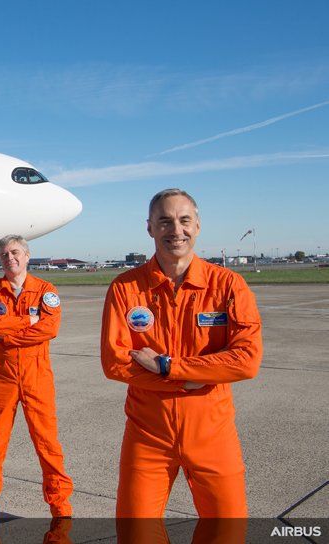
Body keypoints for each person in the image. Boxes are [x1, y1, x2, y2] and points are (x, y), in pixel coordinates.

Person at [101, 188, 262, 518]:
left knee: (225, 529)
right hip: (148, 432)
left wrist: (168, 367)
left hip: (212, 431)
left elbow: (246, 361)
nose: (176, 230)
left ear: (197, 225)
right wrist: (196, 379)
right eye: (165, 221)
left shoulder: (229, 286)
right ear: (150, 228)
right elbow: (115, 363)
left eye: (184, 220)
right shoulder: (125, 288)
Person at [0, 235, 73, 519]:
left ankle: (61, 508)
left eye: (15, 252)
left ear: (27, 256)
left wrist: (9, 334)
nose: (10, 258)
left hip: (37, 376)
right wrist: (29, 321)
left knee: (48, 444)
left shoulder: (45, 290)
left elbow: (50, 328)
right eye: (4, 254)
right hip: (1, 377)